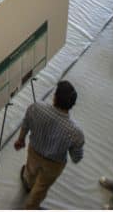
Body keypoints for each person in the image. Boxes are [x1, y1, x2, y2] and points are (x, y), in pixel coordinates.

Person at [14, 80, 84, 209]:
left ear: (55, 97)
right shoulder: (76, 132)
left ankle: (28, 184)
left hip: (34, 151)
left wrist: (21, 140)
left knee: (30, 170)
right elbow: (76, 157)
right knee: (42, 187)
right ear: (72, 104)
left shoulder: (36, 108)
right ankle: (31, 206)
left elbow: (25, 123)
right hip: (54, 164)